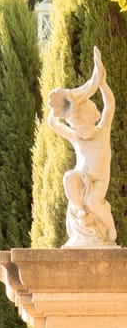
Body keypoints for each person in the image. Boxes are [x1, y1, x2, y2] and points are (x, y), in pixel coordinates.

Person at [47, 46, 117, 248]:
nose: (79, 130)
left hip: (99, 181)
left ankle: (109, 226)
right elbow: (53, 125)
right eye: (75, 126)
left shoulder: (102, 131)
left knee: (95, 201)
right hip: (82, 178)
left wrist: (102, 83)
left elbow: (109, 106)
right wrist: (57, 110)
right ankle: (80, 211)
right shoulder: (76, 138)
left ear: (92, 119)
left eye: (82, 125)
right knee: (69, 177)